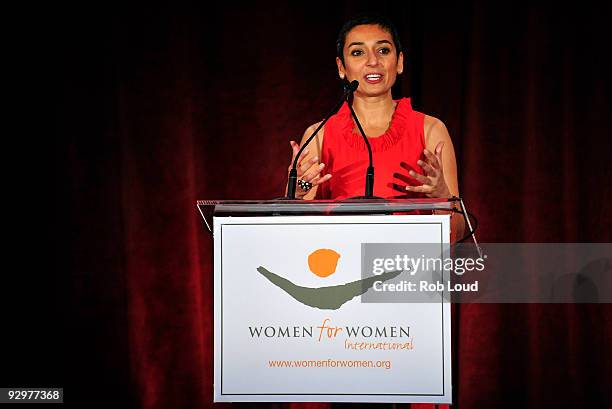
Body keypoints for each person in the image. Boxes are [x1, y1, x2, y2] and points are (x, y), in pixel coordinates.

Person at [287, 13, 464, 240]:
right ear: (341, 67)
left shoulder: (430, 129)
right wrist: (298, 192)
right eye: (358, 52)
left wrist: (442, 197)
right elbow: (295, 236)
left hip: (408, 265)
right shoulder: (318, 135)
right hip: (338, 267)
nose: (373, 61)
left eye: (383, 50)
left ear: (399, 62)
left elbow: (456, 234)